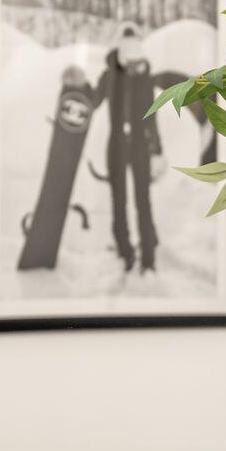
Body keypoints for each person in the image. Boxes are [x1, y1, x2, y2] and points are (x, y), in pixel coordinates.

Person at [96, 24, 165, 274]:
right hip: (116, 144)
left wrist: (157, 149)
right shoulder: (108, 75)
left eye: (134, 45)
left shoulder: (144, 76)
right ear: (118, 48)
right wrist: (74, 88)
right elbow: (92, 101)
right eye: (126, 45)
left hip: (139, 144)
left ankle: (148, 256)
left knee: (142, 199)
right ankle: (124, 249)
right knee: (119, 199)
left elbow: (152, 115)